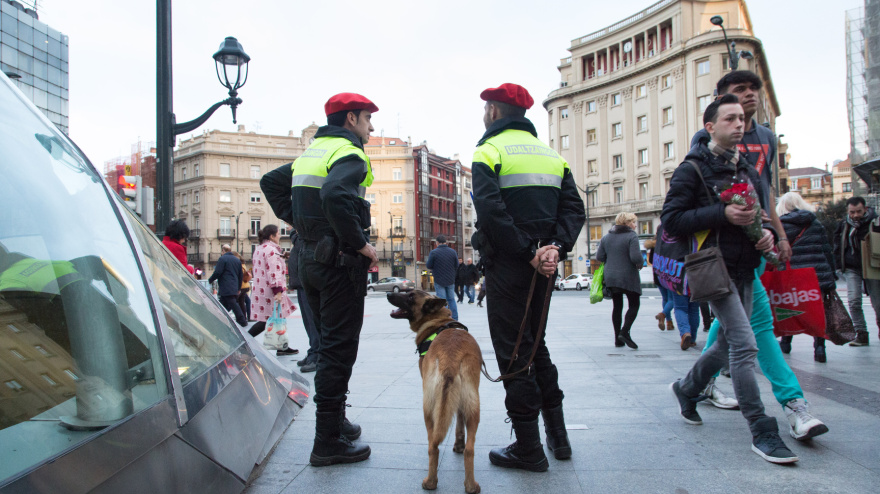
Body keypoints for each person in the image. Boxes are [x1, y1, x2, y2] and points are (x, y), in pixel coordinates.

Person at [665, 94, 798, 464]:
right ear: (710, 127)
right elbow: (672, 220)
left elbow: (756, 213)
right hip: (713, 267)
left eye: (741, 118)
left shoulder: (747, 169)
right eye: (730, 119)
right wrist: (722, 213)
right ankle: (762, 429)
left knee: (724, 344)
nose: (739, 124)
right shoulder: (691, 169)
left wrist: (768, 233)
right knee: (745, 344)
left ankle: (688, 388)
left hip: (745, 266)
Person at [260, 92, 377, 466]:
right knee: (338, 350)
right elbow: (335, 194)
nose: (371, 128)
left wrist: (301, 223)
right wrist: (360, 244)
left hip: (308, 257)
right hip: (338, 262)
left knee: (327, 344)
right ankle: (327, 440)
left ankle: (336, 421)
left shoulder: (312, 153)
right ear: (351, 121)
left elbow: (270, 182)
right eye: (367, 119)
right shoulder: (349, 153)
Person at [472, 83, 585, 471]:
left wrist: (526, 252)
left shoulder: (489, 151)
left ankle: (527, 447)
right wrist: (555, 247)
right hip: (546, 266)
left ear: (494, 111)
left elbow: (490, 212)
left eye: (486, 107)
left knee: (513, 352)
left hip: (510, 265)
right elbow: (574, 208)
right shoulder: (553, 156)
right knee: (538, 346)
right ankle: (559, 436)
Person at [776, 192, 836, 361]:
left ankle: (786, 343)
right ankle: (819, 349)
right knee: (818, 312)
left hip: (793, 275)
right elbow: (826, 250)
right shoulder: (815, 223)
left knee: (790, 309)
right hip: (816, 274)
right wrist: (831, 274)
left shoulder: (781, 225)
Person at [832, 196, 880, 346]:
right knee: (853, 301)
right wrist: (839, 264)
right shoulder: (844, 224)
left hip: (873, 266)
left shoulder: (876, 222)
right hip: (852, 267)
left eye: (859, 211)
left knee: (877, 303)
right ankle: (861, 334)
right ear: (848, 211)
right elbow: (837, 245)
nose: (855, 215)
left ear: (865, 209)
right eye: (852, 212)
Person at [246, 225, 298, 357]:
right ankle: (245, 340)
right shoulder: (271, 250)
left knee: (275, 318)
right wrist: (278, 291)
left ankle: (282, 347)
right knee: (268, 319)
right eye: (278, 234)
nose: (279, 236)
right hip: (271, 290)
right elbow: (273, 271)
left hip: (261, 289)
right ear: (272, 236)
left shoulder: (259, 249)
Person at [597, 212, 643, 349]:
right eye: (634, 222)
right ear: (627, 223)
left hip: (611, 276)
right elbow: (636, 257)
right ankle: (624, 332)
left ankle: (618, 339)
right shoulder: (631, 236)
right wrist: (640, 262)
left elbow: (599, 256)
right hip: (628, 275)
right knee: (634, 304)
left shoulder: (606, 237)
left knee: (617, 306)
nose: (635, 225)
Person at [289, 231, 320, 373]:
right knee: (308, 321)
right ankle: (313, 351)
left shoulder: (303, 233)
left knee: (312, 321)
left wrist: (294, 234)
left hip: (307, 280)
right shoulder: (298, 235)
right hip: (301, 282)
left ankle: (317, 355)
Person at [209, 244, 246, 327]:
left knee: (232, 303)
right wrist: (239, 287)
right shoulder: (237, 260)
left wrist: (210, 279)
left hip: (226, 285)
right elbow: (240, 275)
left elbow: (218, 272)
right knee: (223, 304)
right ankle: (218, 318)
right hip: (234, 285)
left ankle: (242, 319)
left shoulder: (222, 259)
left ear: (223, 251)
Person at [426, 235, 459, 320]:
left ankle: (443, 318)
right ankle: (454, 318)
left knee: (441, 301)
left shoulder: (434, 252)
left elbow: (429, 265)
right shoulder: (453, 252)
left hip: (439, 279)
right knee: (451, 299)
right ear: (446, 242)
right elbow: (457, 265)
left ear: (437, 243)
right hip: (450, 279)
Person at [645, 236, 675, 332]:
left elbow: (651, 260)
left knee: (665, 298)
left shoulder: (655, 244)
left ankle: (669, 322)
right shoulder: (671, 241)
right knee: (672, 299)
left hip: (658, 275)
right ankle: (663, 315)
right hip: (669, 275)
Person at [231, 251, 252, 321]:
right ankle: (245, 317)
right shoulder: (243, 264)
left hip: (242, 286)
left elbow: (239, 276)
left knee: (236, 302)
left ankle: (242, 317)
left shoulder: (239, 265)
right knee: (242, 301)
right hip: (245, 286)